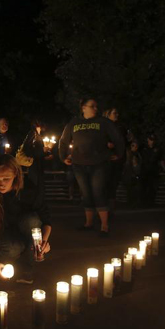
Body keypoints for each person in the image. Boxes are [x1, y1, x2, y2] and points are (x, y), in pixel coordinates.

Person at [0, 154, 51, 284]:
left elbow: (46, 220)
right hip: (3, 240)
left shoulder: (29, 190)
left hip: (26, 232)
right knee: (12, 247)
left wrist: (44, 242)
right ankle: (11, 258)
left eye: (6, 179)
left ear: (16, 175)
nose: (1, 184)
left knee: (32, 220)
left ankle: (26, 269)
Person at [58, 98, 125, 236]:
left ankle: (104, 226)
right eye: (92, 106)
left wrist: (118, 153)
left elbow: (117, 138)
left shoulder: (103, 122)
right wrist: (63, 157)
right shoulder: (74, 123)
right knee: (86, 194)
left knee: (98, 193)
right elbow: (63, 141)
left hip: (99, 164)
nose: (95, 108)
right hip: (79, 165)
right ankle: (88, 223)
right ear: (83, 108)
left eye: (96, 106)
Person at [104, 108, 127, 215]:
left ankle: (110, 210)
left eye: (117, 113)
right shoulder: (103, 127)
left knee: (113, 185)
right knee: (105, 184)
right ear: (108, 115)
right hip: (105, 160)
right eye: (114, 113)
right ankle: (103, 210)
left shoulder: (121, 127)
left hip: (117, 160)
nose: (117, 114)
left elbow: (123, 141)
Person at [21, 120, 51, 193]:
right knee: (36, 187)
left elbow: (39, 151)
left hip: (40, 165)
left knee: (40, 187)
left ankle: (40, 204)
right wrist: (42, 151)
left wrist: (47, 154)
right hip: (34, 165)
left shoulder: (39, 135)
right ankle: (36, 204)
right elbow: (27, 150)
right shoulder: (32, 134)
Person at [140, 133, 165, 206]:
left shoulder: (158, 149)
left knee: (152, 188)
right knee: (143, 187)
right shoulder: (143, 148)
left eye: (153, 140)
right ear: (148, 139)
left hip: (153, 170)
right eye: (150, 140)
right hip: (144, 170)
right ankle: (142, 203)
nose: (152, 141)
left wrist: (164, 168)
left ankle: (151, 203)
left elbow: (161, 160)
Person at [122, 141, 143, 207]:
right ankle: (131, 203)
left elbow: (138, 165)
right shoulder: (129, 155)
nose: (133, 147)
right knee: (130, 191)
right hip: (129, 176)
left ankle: (134, 203)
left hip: (134, 175)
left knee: (135, 190)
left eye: (135, 146)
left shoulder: (137, 155)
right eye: (132, 145)